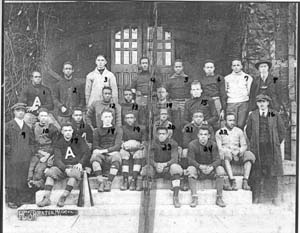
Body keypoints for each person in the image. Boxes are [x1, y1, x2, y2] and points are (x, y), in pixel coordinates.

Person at [37, 123, 90, 207]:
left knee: (74, 175)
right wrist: (65, 168)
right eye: (65, 130)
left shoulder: (78, 139)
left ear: (72, 131)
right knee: (50, 173)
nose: (68, 132)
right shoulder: (58, 142)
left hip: (75, 166)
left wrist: (81, 163)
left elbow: (86, 152)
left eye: (69, 130)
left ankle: (63, 197)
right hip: (62, 167)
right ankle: (46, 198)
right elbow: (57, 159)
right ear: (62, 132)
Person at [245, 94, 286, 205]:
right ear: (257, 103)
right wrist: (254, 142)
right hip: (258, 148)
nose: (262, 104)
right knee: (256, 172)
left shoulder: (274, 114)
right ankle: (256, 197)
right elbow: (248, 131)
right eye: (259, 102)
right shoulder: (253, 115)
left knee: (271, 172)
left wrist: (276, 142)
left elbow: (282, 131)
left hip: (271, 148)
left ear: (268, 103)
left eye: (264, 101)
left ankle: (273, 197)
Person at [140, 127, 183, 208]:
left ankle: (176, 197)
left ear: (167, 135)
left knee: (175, 168)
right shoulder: (152, 143)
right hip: (155, 168)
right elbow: (149, 158)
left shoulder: (173, 143)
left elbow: (174, 159)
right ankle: (146, 197)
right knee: (147, 169)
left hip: (167, 168)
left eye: (163, 134)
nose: (161, 136)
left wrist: (165, 164)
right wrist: (156, 165)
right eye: (159, 134)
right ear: (156, 135)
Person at [186, 125, 226, 208]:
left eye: (205, 134)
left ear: (209, 136)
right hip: (198, 170)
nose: (203, 137)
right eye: (201, 134)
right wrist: (199, 166)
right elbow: (190, 160)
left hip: (210, 170)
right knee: (190, 169)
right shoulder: (192, 144)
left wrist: (211, 167)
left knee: (221, 170)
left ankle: (219, 198)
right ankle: (194, 197)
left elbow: (218, 160)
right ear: (198, 135)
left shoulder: (213, 144)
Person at [5, 103, 35, 208]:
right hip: (12, 157)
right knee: (12, 178)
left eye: (23, 110)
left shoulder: (27, 127)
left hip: (24, 157)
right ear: (14, 112)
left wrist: (29, 151)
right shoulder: (8, 126)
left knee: (22, 177)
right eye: (18, 110)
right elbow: (4, 141)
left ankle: (21, 200)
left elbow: (32, 142)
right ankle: (12, 200)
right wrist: (9, 151)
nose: (21, 112)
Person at [215, 113, 255, 191]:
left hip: (238, 153)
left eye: (233, 120)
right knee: (226, 155)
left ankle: (245, 180)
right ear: (225, 121)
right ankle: (232, 180)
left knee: (249, 155)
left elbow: (244, 145)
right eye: (230, 120)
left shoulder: (239, 131)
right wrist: (229, 151)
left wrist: (240, 151)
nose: (232, 122)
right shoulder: (219, 132)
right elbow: (219, 148)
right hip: (227, 153)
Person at [90, 110, 123, 192]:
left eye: (109, 117)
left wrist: (104, 150)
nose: (107, 119)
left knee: (117, 156)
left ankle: (109, 182)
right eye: (105, 117)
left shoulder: (118, 129)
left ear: (112, 118)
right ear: (101, 118)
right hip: (102, 154)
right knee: (94, 157)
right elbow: (95, 146)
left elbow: (117, 145)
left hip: (113, 153)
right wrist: (103, 151)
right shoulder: (97, 131)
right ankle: (100, 182)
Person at [27, 108, 59, 190]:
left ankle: (38, 185)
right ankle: (30, 184)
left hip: (49, 152)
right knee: (30, 167)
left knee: (40, 168)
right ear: (38, 117)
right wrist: (38, 152)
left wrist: (47, 155)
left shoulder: (52, 128)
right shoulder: (34, 127)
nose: (43, 118)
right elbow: (32, 142)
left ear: (48, 117)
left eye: (45, 116)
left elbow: (55, 144)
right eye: (41, 116)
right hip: (38, 151)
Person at [120, 111, 147, 191]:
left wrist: (138, 146)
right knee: (123, 154)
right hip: (126, 149)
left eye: (131, 118)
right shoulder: (122, 128)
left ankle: (134, 179)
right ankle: (125, 179)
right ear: (125, 120)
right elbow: (120, 140)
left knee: (138, 154)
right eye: (127, 118)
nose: (129, 120)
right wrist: (124, 145)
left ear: (135, 119)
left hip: (137, 149)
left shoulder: (141, 128)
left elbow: (144, 141)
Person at [52, 61, 85, 125]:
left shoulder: (78, 84)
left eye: (70, 69)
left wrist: (78, 109)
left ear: (73, 70)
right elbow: (54, 98)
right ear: (63, 70)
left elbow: (82, 98)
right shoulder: (58, 85)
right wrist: (61, 107)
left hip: (75, 115)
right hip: (63, 114)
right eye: (66, 69)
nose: (68, 71)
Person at [224, 59, 253, 129]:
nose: (236, 67)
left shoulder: (247, 77)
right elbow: (225, 90)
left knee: (241, 124)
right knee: (232, 123)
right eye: (234, 65)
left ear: (241, 66)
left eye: (238, 65)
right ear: (231, 67)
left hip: (243, 102)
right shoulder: (227, 78)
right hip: (231, 103)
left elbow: (249, 91)